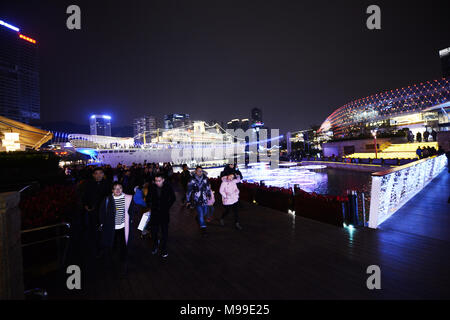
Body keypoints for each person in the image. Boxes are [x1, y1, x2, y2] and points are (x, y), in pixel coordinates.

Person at [98, 182, 134, 275]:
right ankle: (112, 262)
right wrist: (102, 223)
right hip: (111, 227)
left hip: (123, 227)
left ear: (122, 189)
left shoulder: (128, 198)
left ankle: (123, 263)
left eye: (120, 188)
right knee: (112, 245)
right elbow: (101, 212)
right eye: (115, 188)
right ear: (112, 190)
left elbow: (132, 210)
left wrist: (131, 219)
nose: (118, 190)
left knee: (123, 245)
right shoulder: (107, 199)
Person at [81, 167, 112, 255]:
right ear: (93, 175)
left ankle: (104, 245)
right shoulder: (88, 184)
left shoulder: (108, 184)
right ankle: (97, 247)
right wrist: (85, 205)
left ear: (103, 174)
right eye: (96, 173)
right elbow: (85, 195)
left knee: (104, 228)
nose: (98, 175)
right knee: (94, 229)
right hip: (93, 210)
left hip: (104, 211)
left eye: (100, 173)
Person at [147, 173, 176, 258]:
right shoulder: (152, 187)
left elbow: (173, 198)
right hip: (155, 212)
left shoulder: (168, 187)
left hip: (164, 212)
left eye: (159, 181)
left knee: (164, 232)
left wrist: (167, 206)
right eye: (156, 181)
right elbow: (148, 197)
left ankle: (163, 248)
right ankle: (155, 245)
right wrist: (149, 204)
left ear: (163, 180)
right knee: (154, 231)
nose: (157, 182)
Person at [186, 166, 212, 235]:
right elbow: (189, 191)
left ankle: (198, 218)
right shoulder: (192, 180)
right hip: (196, 199)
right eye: (198, 171)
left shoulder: (205, 178)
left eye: (201, 171)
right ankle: (203, 228)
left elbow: (208, 187)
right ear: (195, 171)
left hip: (204, 198)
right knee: (200, 214)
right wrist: (188, 200)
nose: (200, 172)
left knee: (205, 212)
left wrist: (209, 194)